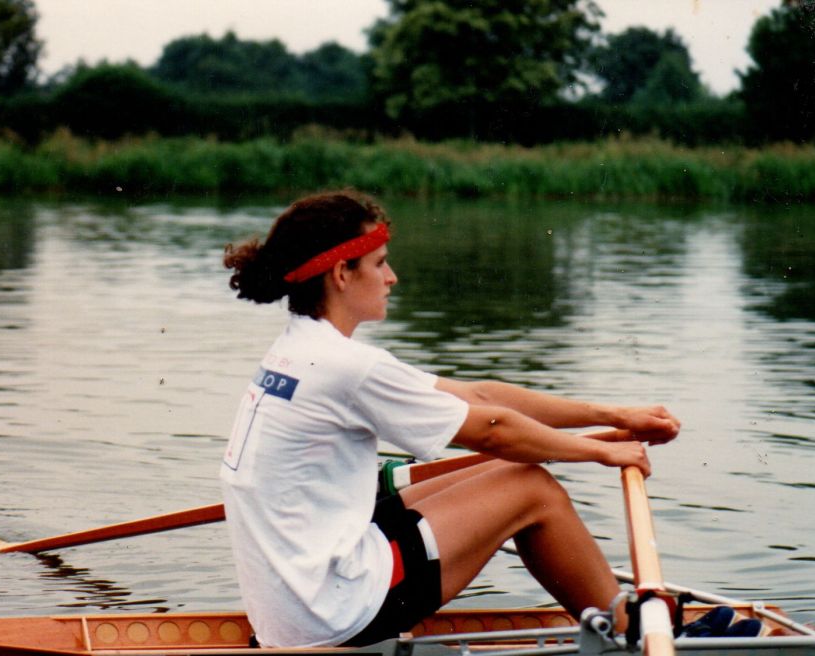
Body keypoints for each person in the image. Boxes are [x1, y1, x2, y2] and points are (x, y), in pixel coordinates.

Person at [220, 191, 681, 648]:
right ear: (342, 273)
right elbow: (492, 429)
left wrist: (614, 416)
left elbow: (479, 397)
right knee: (531, 488)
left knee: (493, 468)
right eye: (380, 263)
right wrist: (601, 451)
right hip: (332, 615)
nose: (392, 277)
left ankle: (613, 615)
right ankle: (626, 629)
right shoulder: (347, 366)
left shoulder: (297, 350)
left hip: (292, 608)